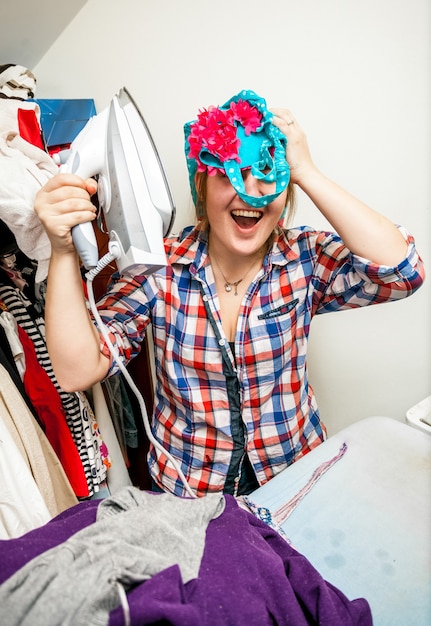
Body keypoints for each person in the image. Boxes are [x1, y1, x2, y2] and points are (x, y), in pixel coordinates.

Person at [34, 89, 425, 498]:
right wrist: (61, 249)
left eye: (267, 175)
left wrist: (307, 171)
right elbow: (77, 370)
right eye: (229, 175)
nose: (250, 193)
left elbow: (404, 272)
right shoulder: (158, 266)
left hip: (293, 482)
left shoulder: (303, 257)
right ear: (201, 187)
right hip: (190, 492)